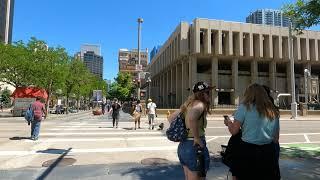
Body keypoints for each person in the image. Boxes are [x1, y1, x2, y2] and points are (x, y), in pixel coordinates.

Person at [224, 83, 280, 180]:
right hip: (268, 152)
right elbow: (276, 138)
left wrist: (229, 122)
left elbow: (234, 131)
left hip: (248, 151)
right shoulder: (272, 111)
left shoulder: (244, 107)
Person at [168, 81, 213, 180]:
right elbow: (192, 118)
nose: (210, 95)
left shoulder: (187, 104)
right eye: (208, 92)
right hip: (194, 146)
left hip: (183, 146)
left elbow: (170, 118)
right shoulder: (200, 105)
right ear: (202, 94)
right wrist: (197, 138)